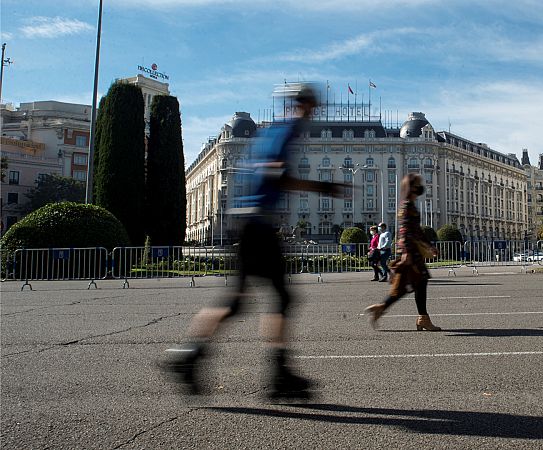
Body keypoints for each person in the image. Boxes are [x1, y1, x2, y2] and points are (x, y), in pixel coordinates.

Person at [162, 83, 343, 400]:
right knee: (280, 299)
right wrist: (322, 187)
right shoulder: (287, 130)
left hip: (250, 221)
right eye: (312, 107)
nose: (314, 113)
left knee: (238, 301)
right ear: (302, 105)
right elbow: (275, 175)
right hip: (259, 225)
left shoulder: (268, 131)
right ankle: (277, 375)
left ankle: (190, 357)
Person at [365, 173, 441, 331]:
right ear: (413, 187)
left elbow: (417, 230)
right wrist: (406, 252)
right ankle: (422, 318)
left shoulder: (408, 205)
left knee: (407, 285)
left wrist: (429, 245)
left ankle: (382, 308)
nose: (421, 187)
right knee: (417, 282)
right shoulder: (407, 206)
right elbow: (405, 230)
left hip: (410, 250)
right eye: (419, 184)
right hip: (411, 251)